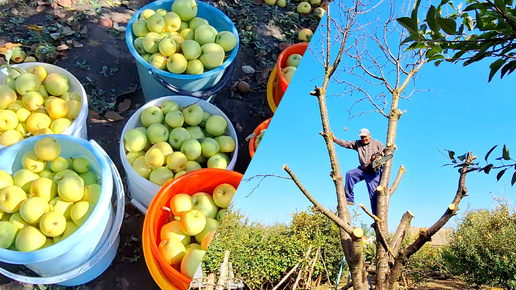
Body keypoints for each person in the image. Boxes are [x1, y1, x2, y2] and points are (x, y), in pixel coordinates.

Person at [331, 128, 384, 215]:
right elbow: (346, 144)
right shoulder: (357, 143)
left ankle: (377, 216)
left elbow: (384, 154)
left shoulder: (377, 143)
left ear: (369, 135)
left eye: (365, 137)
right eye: (362, 137)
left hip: (373, 173)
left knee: (374, 195)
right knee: (350, 174)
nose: (364, 139)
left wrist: (378, 159)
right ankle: (349, 198)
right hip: (362, 169)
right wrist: (335, 139)